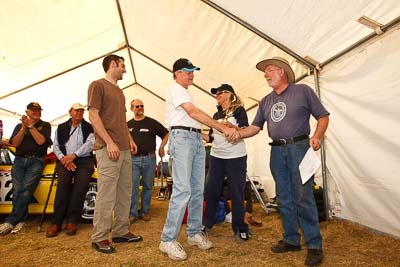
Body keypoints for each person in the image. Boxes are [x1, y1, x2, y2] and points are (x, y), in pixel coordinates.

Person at [230, 57, 329, 266]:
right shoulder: (265, 101)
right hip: (276, 151)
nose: (265, 75)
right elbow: (255, 128)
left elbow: (323, 116)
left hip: (299, 148)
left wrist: (318, 136)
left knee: (303, 196)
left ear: (281, 71)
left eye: (269, 71)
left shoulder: (302, 91)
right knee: (284, 197)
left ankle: (314, 245)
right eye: (265, 72)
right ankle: (291, 240)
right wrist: (238, 133)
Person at [159, 58, 236, 261]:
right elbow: (193, 113)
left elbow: (193, 119)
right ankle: (167, 239)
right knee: (183, 189)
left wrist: (207, 135)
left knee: (197, 190)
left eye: (193, 71)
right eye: (186, 71)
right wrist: (222, 128)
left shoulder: (187, 92)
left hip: (194, 138)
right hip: (182, 139)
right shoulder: (176, 89)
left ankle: (193, 233)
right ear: (176, 73)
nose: (191, 74)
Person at [88, 54, 142, 254]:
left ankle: (121, 231)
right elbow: (93, 115)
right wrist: (109, 142)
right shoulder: (97, 85)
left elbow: (120, 119)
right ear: (112, 65)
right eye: (122, 66)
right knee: (106, 195)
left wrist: (129, 139)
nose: (125, 70)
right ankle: (100, 237)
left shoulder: (119, 92)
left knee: (124, 192)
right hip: (107, 148)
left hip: (124, 149)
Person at [202, 84, 252, 241]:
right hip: (217, 157)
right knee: (211, 191)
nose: (217, 94)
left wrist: (233, 127)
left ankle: (240, 228)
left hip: (236, 157)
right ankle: (206, 224)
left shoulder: (238, 110)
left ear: (230, 94)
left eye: (221, 92)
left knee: (236, 193)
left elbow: (244, 129)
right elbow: (210, 137)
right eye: (216, 92)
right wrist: (196, 132)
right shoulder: (215, 115)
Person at [0, 102, 52, 235]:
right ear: (27, 112)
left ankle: (11, 221)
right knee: (18, 191)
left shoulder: (45, 125)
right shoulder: (19, 126)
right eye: (33, 110)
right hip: (19, 160)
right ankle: (21, 220)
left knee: (26, 190)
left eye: (38, 110)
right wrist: (23, 128)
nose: (36, 112)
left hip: (36, 161)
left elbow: (41, 141)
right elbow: (15, 143)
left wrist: (30, 126)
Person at [46, 103, 95, 238]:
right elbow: (55, 146)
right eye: (76, 111)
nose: (79, 113)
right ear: (70, 112)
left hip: (83, 160)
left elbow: (90, 144)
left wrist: (73, 156)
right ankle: (56, 222)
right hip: (64, 160)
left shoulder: (89, 127)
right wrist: (64, 159)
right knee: (62, 187)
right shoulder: (61, 127)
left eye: (81, 111)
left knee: (80, 189)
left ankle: (73, 221)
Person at [127, 98, 169, 223]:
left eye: (141, 106)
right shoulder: (127, 125)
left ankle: (145, 211)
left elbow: (166, 134)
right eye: (137, 106)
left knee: (147, 186)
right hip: (133, 159)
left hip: (149, 159)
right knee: (133, 187)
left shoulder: (151, 123)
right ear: (131, 109)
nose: (140, 108)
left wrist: (162, 147)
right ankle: (132, 213)